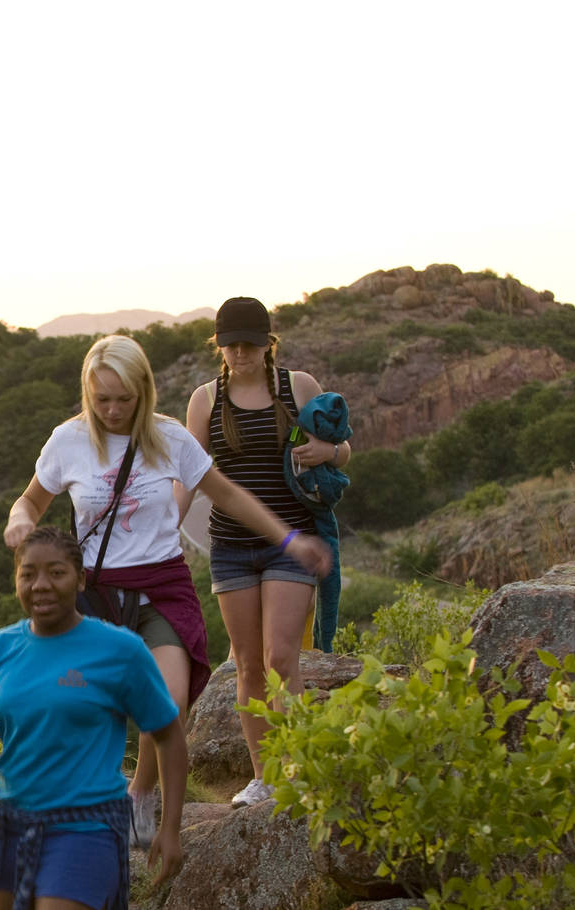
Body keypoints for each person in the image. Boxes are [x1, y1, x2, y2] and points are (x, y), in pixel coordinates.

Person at [2, 334, 329, 840]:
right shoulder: (67, 441)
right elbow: (29, 501)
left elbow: (229, 496)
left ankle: (141, 796)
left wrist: (288, 540)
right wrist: (20, 525)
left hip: (161, 588)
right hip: (96, 593)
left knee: (168, 704)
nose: (112, 410)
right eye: (102, 399)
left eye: (124, 399)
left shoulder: (170, 437)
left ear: (144, 392)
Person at [0, 525, 185, 910]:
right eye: (28, 574)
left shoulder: (120, 651)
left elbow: (168, 735)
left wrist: (170, 829)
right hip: (8, 822)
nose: (41, 585)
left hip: (86, 826)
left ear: (81, 580)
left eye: (56, 572)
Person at [184, 297, 350, 808]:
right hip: (231, 548)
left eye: (250, 344)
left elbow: (343, 448)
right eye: (230, 344)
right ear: (220, 346)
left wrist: (327, 452)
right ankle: (265, 777)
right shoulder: (204, 398)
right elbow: (191, 473)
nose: (240, 353)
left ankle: (297, 767)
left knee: (282, 656)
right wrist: (157, 527)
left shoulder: (296, 387)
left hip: (290, 542)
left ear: (267, 343)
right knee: (249, 666)